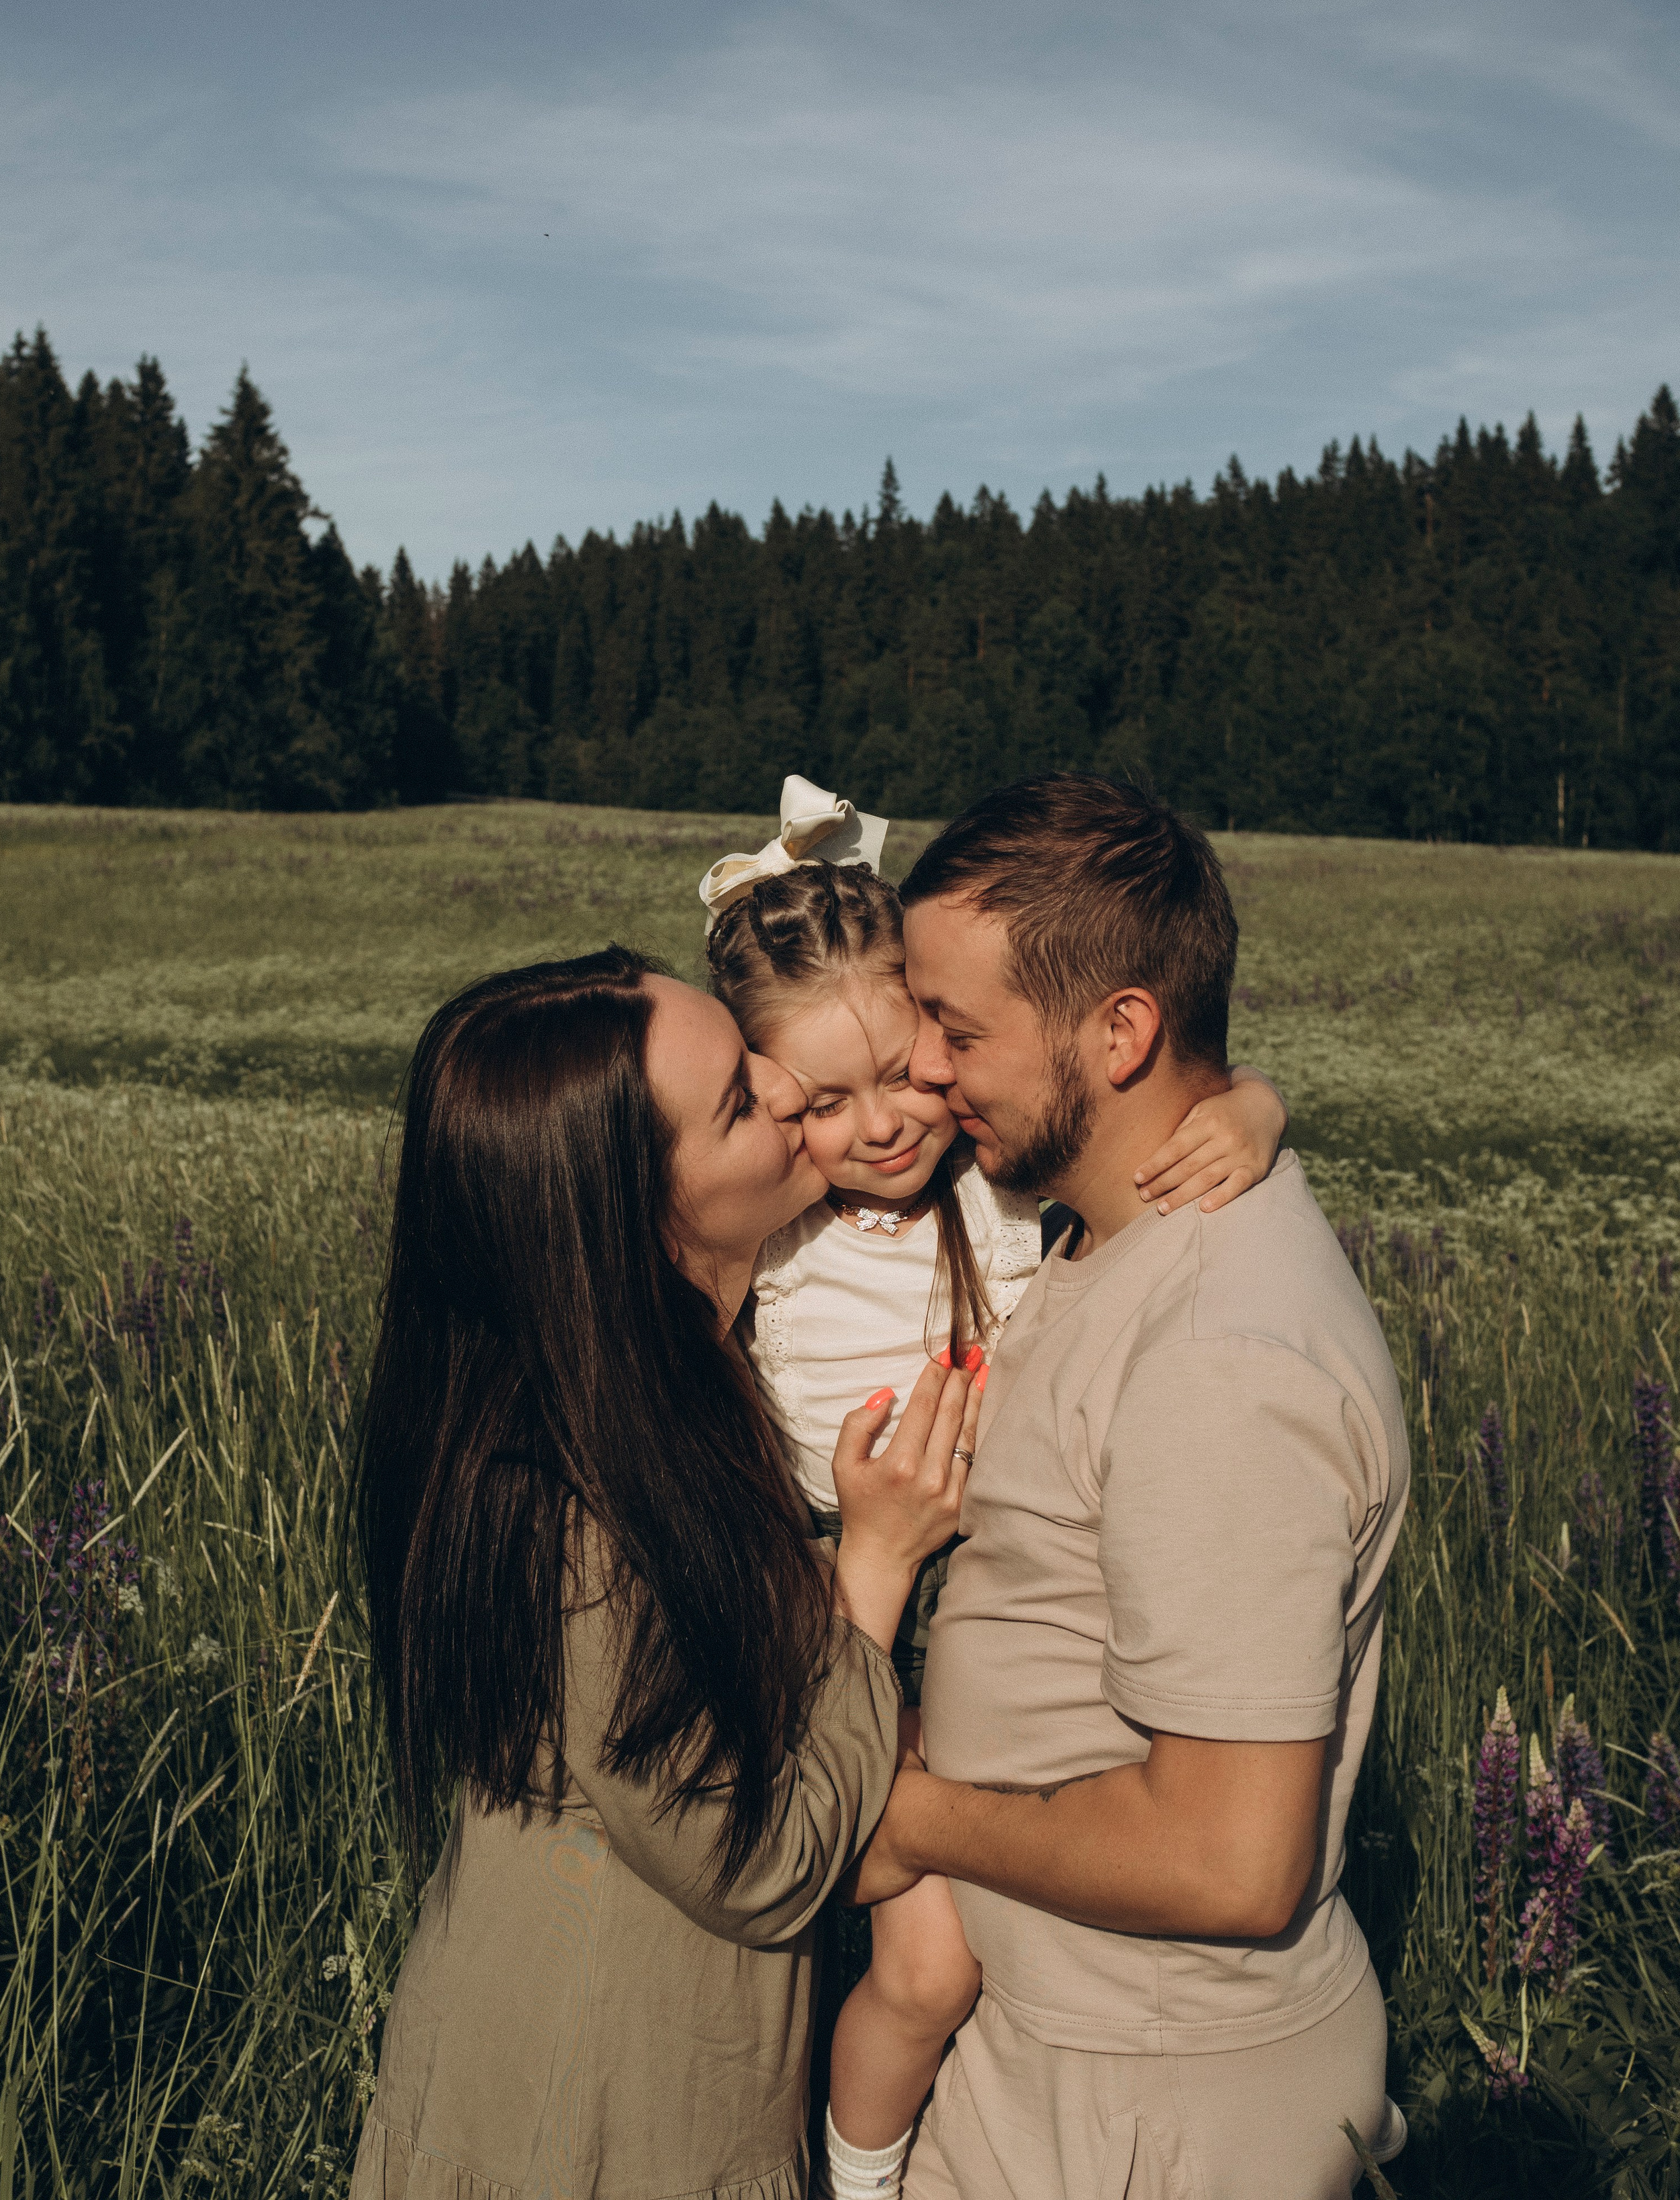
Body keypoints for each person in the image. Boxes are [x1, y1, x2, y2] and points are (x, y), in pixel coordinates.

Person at [700, 814, 1290, 2200]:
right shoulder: (774, 1226)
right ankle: (858, 2180)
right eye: (820, 1101)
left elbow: (1175, 1100)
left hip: (1010, 1612)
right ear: (765, 1096)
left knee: (1012, 1946)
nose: (879, 1126)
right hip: (829, 1610)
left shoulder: (1001, 1192)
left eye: (902, 1074)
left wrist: (1254, 1108)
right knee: (918, 1968)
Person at [347, 946, 982, 2200]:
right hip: (591, 2130)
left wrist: (1245, 1113)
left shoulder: (662, 1377)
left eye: (749, 1054)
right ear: (636, 1215)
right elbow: (772, 1858)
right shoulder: (567, 1507)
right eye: (744, 1101)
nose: (789, 1085)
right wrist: (873, 1568)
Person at [853, 772, 1410, 2200]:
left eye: (956, 1028)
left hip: (1150, 2109)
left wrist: (896, 1809)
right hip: (1061, 2054)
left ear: (1118, 1032)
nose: (920, 1068)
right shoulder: (1104, 1234)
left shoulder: (1221, 1355)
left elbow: (1230, 1862)